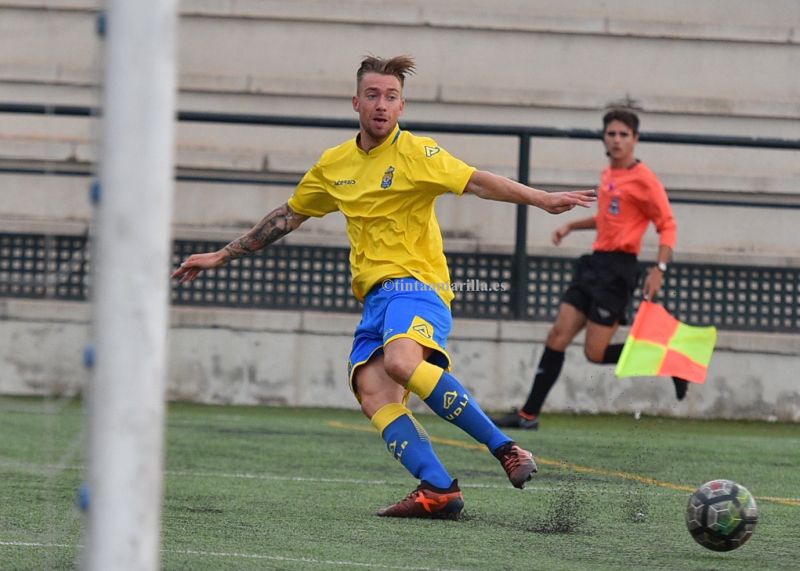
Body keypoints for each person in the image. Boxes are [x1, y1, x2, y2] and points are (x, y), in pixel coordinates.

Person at [172, 55, 596, 519]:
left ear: (401, 106)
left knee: (399, 361)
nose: (381, 104)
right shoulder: (334, 165)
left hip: (418, 287)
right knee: (372, 391)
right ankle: (438, 490)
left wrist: (542, 198)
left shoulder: (417, 153)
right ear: (356, 101)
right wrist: (223, 254)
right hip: (375, 299)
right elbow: (288, 216)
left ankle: (506, 447)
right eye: (373, 95)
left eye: (391, 97)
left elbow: (477, 182)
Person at [492, 108, 687, 432]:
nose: (617, 139)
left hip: (618, 272)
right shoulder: (609, 174)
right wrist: (572, 225)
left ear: (635, 140)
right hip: (593, 265)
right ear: (604, 137)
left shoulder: (645, 180)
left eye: (624, 134)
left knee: (594, 353)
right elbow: (610, 219)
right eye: (611, 133)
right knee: (557, 335)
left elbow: (667, 225)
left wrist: (660, 269)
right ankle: (528, 415)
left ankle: (671, 360)